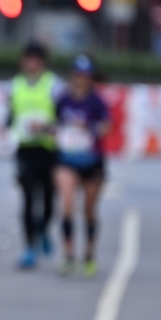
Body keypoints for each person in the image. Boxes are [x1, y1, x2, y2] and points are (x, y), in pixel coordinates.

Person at [7, 42, 65, 269]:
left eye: (36, 59)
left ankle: (42, 228)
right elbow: (10, 116)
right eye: (28, 59)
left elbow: (64, 117)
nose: (31, 63)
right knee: (28, 199)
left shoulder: (54, 85)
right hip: (25, 149)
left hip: (49, 149)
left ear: (43, 62)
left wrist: (47, 127)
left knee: (49, 199)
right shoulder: (15, 84)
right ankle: (29, 247)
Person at [54, 54, 110, 278]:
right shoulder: (64, 99)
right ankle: (68, 254)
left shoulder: (96, 101)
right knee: (67, 203)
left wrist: (89, 126)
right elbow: (55, 122)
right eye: (78, 75)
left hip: (91, 159)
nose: (81, 80)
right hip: (67, 159)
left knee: (89, 209)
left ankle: (89, 254)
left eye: (86, 76)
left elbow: (107, 127)